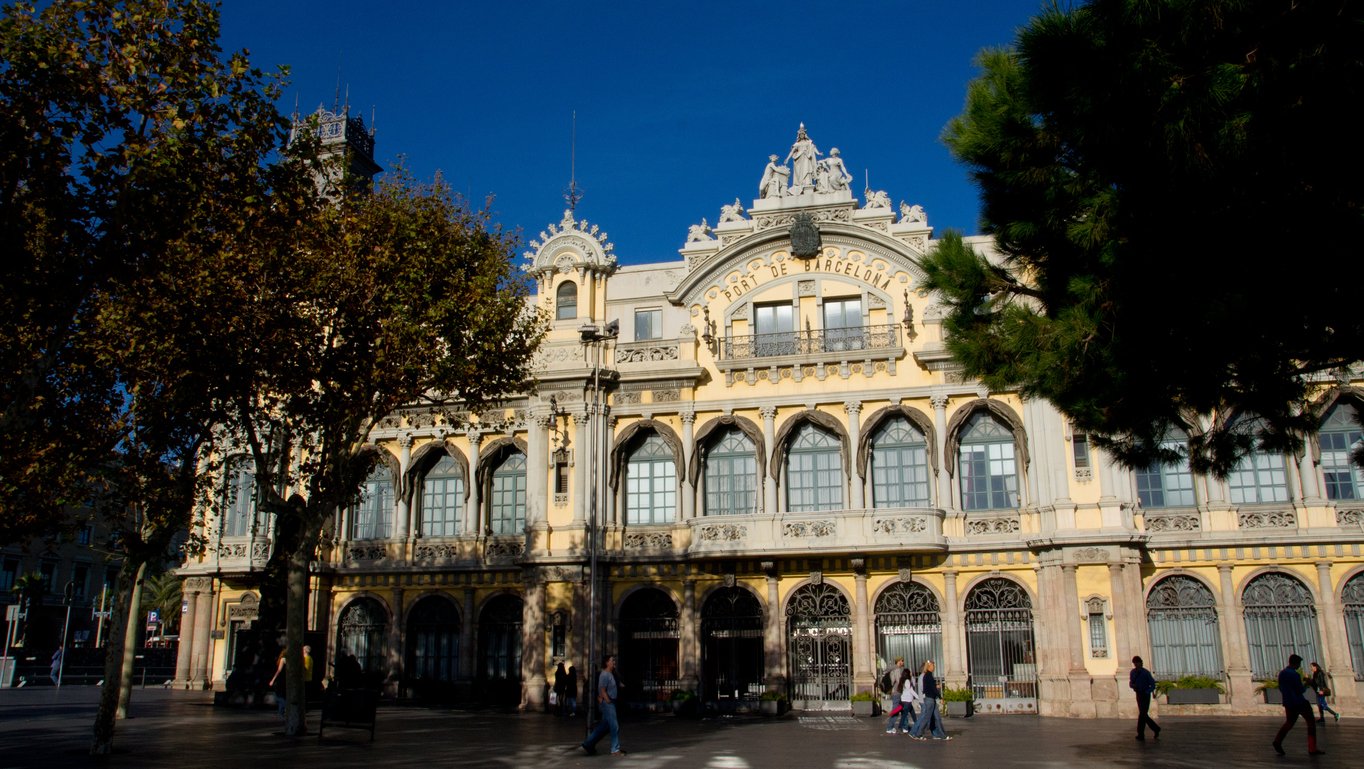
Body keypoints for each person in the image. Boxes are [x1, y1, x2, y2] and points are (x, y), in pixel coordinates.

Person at [1272, 653, 1324, 756]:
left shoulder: (1282, 673)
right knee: (1311, 723)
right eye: (1299, 664)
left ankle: (1277, 740)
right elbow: (1300, 690)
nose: (1299, 666)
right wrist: (1307, 683)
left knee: (1289, 723)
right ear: (1296, 663)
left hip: (1288, 702)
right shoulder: (1294, 675)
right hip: (1299, 702)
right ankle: (1312, 748)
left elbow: (1281, 688)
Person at [580, 654, 624, 756]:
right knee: (614, 726)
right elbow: (602, 689)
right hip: (608, 703)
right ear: (607, 663)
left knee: (605, 726)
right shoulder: (604, 674)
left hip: (611, 702)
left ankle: (588, 743)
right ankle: (615, 749)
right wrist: (607, 699)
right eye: (612, 660)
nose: (614, 662)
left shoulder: (611, 674)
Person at [907, 660, 950, 741]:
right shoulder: (926, 676)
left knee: (936, 718)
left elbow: (930, 687)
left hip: (930, 699)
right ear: (929, 666)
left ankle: (941, 735)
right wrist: (940, 697)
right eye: (933, 665)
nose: (934, 667)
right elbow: (927, 688)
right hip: (928, 699)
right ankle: (917, 733)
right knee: (926, 718)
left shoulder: (927, 676)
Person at [1129, 656, 1161, 740]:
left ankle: (1142, 733)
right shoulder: (1133, 672)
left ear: (1141, 663)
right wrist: (1133, 686)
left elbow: (1152, 684)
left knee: (1142, 714)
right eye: (1134, 663)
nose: (1136, 664)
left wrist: (1147, 691)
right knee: (1143, 714)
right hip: (1138, 694)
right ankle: (1153, 729)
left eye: (1137, 662)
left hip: (1145, 694)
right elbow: (1131, 683)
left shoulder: (1145, 672)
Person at [785, 123, 821, 192]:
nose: (801, 135)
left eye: (802, 134)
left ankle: (807, 183)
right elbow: (792, 152)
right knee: (800, 172)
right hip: (799, 159)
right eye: (800, 134)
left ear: (804, 135)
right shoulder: (797, 144)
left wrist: (818, 153)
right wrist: (787, 158)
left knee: (807, 169)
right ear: (799, 135)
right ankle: (800, 184)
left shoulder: (808, 142)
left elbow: (813, 147)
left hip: (806, 157)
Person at [882, 656, 907, 734]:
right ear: (898, 661)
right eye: (902, 660)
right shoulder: (897, 670)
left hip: (896, 692)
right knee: (896, 710)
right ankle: (890, 727)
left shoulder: (894, 669)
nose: (903, 662)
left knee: (903, 709)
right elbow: (899, 681)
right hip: (897, 692)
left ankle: (904, 727)